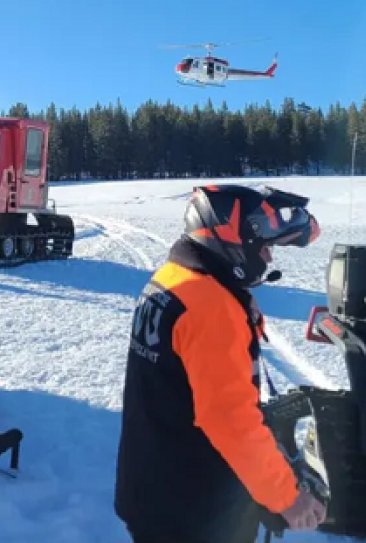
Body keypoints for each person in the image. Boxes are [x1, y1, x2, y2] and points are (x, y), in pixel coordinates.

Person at [115, 184, 327, 543]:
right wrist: (288, 498)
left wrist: (236, 306)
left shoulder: (175, 279)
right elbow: (231, 420)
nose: (269, 259)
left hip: (154, 485)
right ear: (233, 242)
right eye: (265, 248)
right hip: (194, 510)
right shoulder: (210, 307)